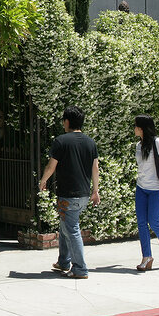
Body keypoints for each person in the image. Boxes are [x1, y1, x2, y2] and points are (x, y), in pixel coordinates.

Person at [38, 106, 100, 279]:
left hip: (68, 195)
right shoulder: (90, 142)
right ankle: (64, 261)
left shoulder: (61, 141)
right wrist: (96, 190)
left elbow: (51, 166)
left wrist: (43, 180)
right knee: (65, 225)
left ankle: (80, 268)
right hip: (84, 194)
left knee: (71, 229)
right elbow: (95, 168)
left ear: (67, 121)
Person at [133, 114, 159, 271]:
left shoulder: (158, 142)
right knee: (142, 223)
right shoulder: (138, 145)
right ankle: (147, 257)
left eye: (136, 126)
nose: (134, 129)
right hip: (141, 188)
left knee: (154, 222)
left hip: (157, 189)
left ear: (142, 128)